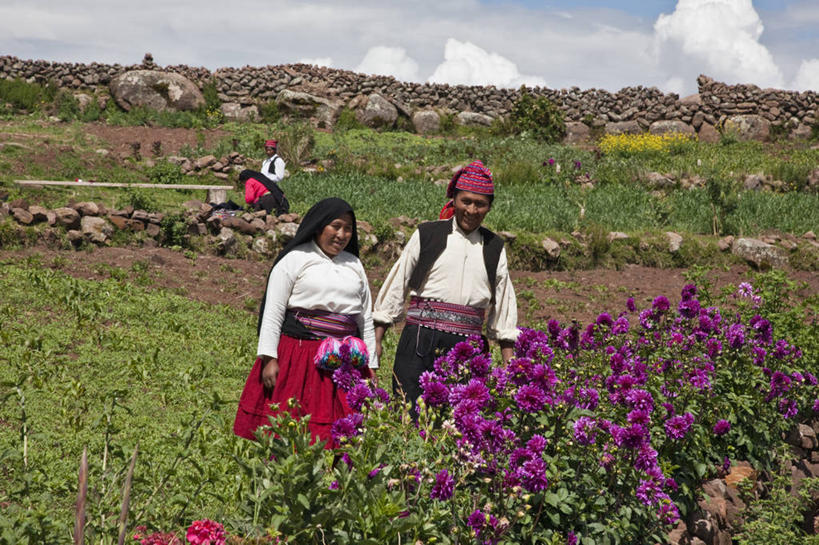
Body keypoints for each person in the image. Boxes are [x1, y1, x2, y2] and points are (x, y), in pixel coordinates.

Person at [372, 160, 518, 415]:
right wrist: (377, 340)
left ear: (489, 208)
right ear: (454, 200)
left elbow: (504, 304)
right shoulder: (427, 234)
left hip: (469, 347)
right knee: (409, 413)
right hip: (420, 341)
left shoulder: (493, 247)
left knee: (462, 422)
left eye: (480, 204)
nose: (472, 210)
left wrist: (508, 363)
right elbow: (398, 282)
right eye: (466, 201)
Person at [233, 197, 378, 447]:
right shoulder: (295, 260)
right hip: (300, 354)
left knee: (346, 432)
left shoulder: (354, 264)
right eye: (336, 226)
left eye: (348, 229)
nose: (342, 234)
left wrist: (371, 366)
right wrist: (269, 358)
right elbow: (273, 311)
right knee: (295, 425)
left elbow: (365, 317)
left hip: (347, 361)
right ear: (319, 225)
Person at [239, 139, 289, 216]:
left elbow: (279, 177)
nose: (268, 152)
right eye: (267, 150)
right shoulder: (265, 161)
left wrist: (265, 179)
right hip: (264, 184)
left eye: (270, 150)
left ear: (274, 150)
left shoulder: (278, 161)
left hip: (272, 186)